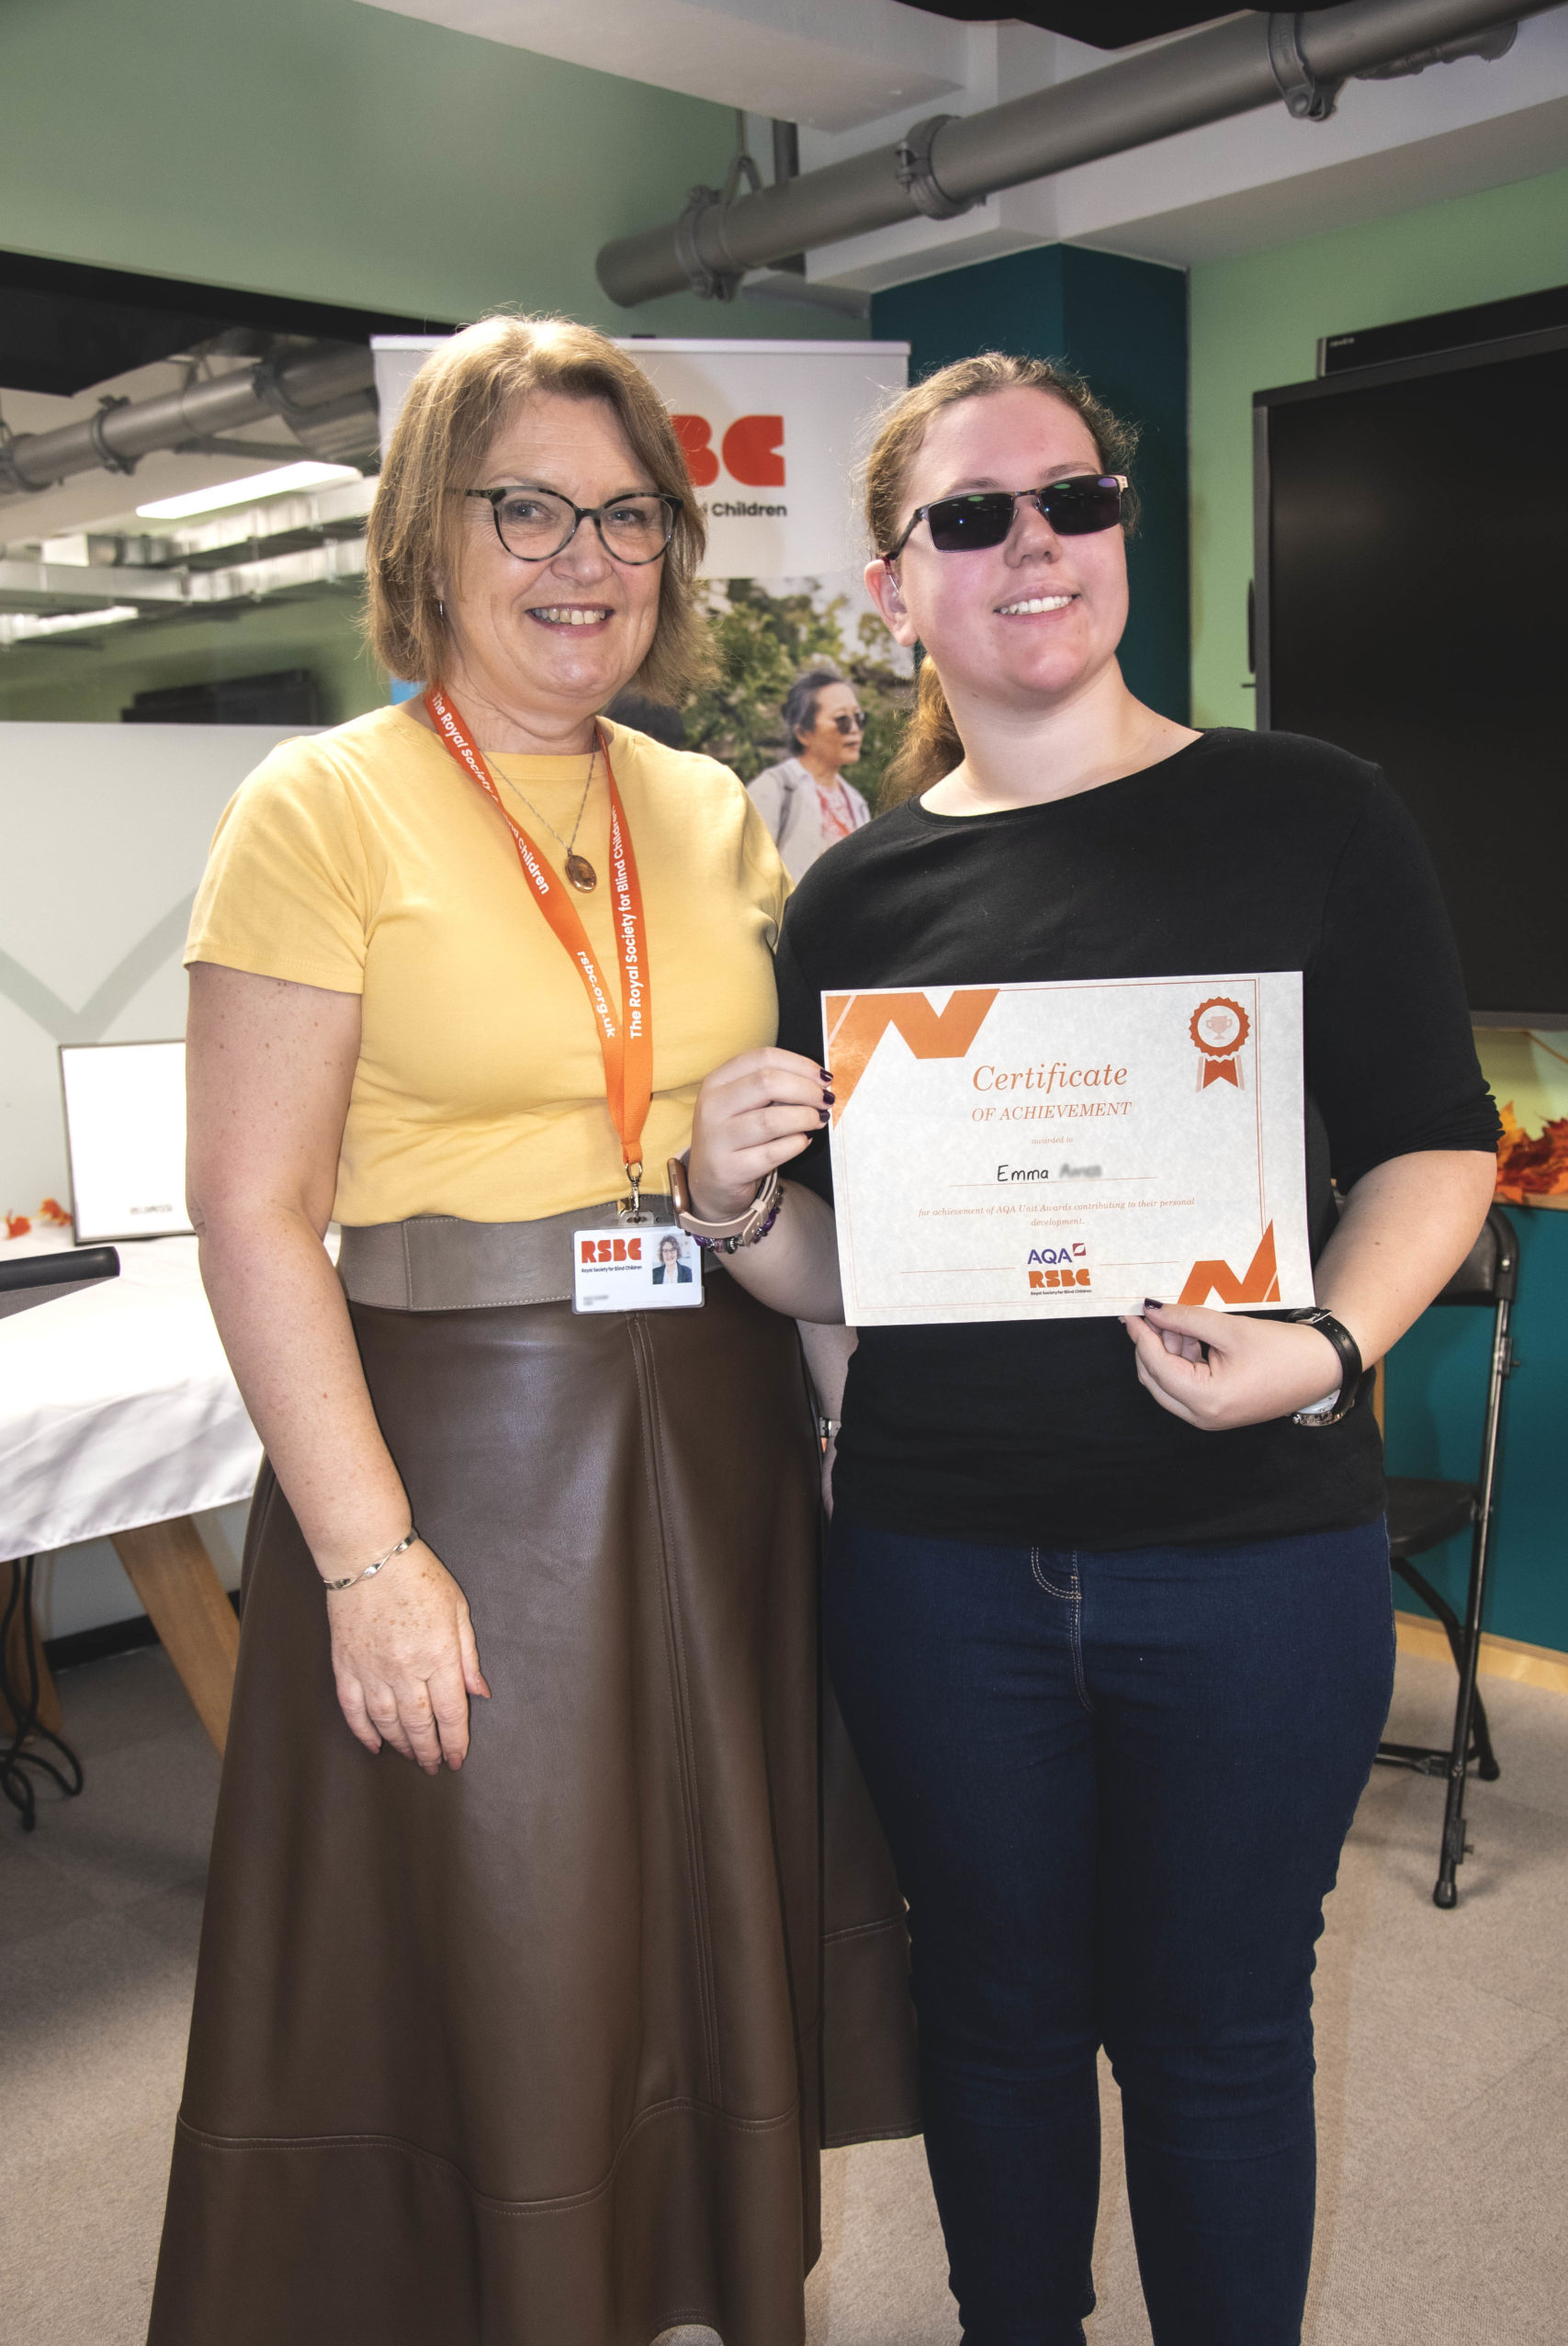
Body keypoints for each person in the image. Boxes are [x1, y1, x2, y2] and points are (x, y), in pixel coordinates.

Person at [680, 352, 1499, 2345]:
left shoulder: (1311, 812)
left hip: (1251, 1558)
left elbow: (1434, 1140)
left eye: (1074, 498)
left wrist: (1324, 1346)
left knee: (1218, 2030)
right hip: (939, 1562)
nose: (1032, 542)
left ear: (1121, 528)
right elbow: (851, 1274)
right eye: (971, 517)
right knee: (992, 2015)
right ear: (896, 587)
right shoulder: (852, 895)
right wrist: (729, 1203)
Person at [149, 314, 915, 2346]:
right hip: (456, 1454)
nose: (585, 559)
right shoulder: (321, 805)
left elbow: (755, 1153)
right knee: (505, 1957)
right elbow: (250, 1210)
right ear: (430, 533)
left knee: (694, 1938)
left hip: (716, 1430)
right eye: (528, 511)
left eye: (627, 516)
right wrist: (364, 1558)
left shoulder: (709, 807)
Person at [747, 667, 872, 879]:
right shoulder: (774, 788)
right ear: (803, 733)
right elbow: (748, 873)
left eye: (859, 718)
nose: (854, 729)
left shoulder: (855, 801)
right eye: (842, 719)